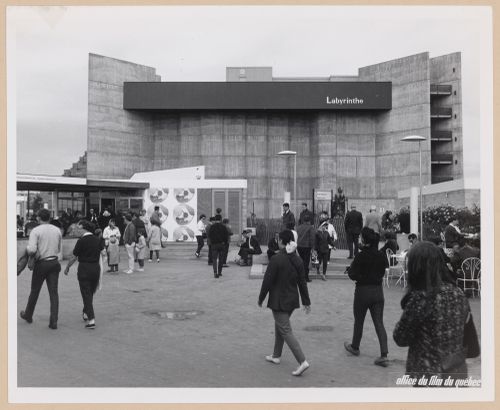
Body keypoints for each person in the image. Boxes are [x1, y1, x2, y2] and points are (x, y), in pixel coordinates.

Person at [393, 241, 475, 383]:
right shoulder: (458, 293)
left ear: (416, 267)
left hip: (429, 374)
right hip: (457, 372)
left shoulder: (421, 297)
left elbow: (401, 338)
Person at [258, 229, 311, 377]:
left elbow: (267, 281)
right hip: (292, 300)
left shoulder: (276, 259)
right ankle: (276, 355)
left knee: (285, 329)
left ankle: (302, 361)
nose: (277, 241)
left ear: (282, 241)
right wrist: (306, 301)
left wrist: (261, 297)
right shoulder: (297, 259)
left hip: (278, 300)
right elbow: (302, 282)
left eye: (278, 239)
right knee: (280, 326)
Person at [344, 227, 389, 367]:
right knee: (379, 323)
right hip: (378, 291)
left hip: (363, 291)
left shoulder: (361, 255)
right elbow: (384, 269)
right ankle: (384, 354)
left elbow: (352, 274)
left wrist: (354, 272)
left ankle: (355, 347)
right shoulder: (381, 255)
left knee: (359, 321)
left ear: (364, 240)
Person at [19, 208, 62, 330]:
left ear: (38, 218)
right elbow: (59, 249)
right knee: (54, 293)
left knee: (35, 291)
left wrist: (27, 250)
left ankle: (28, 314)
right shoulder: (57, 230)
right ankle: (53, 321)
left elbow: (32, 249)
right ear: (49, 217)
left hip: (41, 264)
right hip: (54, 262)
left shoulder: (35, 231)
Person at [64, 220, 104, 329]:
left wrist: (67, 267)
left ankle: (91, 320)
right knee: (90, 293)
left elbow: (74, 257)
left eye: (78, 227)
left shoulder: (81, 241)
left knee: (86, 293)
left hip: (84, 269)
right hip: (96, 269)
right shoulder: (97, 239)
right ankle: (86, 312)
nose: (76, 230)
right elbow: (103, 252)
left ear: (83, 228)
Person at [297, 215, 315, 282]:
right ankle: (305, 277)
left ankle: (300, 276)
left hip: (299, 246)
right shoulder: (310, 228)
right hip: (306, 247)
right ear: (309, 221)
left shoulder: (299, 227)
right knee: (306, 262)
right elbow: (312, 238)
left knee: (301, 261)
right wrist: (313, 247)